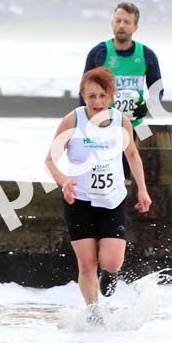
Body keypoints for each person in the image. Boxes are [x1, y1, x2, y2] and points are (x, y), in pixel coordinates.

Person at [46, 67, 152, 323]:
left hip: (112, 200)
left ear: (111, 96)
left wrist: (143, 190)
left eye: (102, 95)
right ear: (83, 95)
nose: (97, 102)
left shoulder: (120, 121)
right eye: (91, 96)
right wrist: (64, 181)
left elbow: (132, 156)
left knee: (112, 262)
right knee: (86, 265)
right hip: (79, 201)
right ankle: (94, 312)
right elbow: (50, 159)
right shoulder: (73, 120)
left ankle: (111, 273)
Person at [80, 2, 163, 185]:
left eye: (127, 22)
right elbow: (84, 92)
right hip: (103, 125)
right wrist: (84, 124)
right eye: (118, 21)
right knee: (102, 177)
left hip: (133, 125)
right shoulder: (99, 53)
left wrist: (146, 108)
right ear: (112, 23)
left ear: (135, 27)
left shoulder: (147, 55)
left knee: (127, 179)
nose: (121, 26)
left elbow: (157, 91)